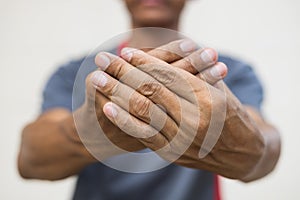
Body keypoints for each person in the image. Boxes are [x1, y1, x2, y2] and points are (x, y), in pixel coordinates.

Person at [17, 0, 281, 200]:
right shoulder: (75, 73)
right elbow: (30, 159)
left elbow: (266, 146)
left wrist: (248, 145)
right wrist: (91, 132)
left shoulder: (228, 72)